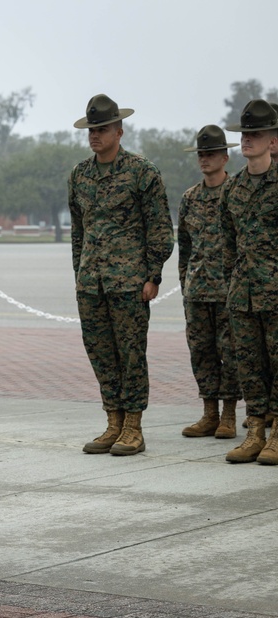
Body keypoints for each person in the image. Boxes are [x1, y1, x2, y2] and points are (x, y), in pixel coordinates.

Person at [69, 94, 174, 456]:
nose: (95, 136)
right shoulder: (80, 175)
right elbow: (78, 232)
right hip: (91, 284)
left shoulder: (142, 172)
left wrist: (153, 275)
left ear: (119, 131)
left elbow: (159, 228)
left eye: (102, 129)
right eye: (91, 130)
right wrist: (79, 274)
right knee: (101, 354)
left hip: (129, 283)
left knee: (131, 355)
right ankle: (112, 422)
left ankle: (133, 426)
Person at [220, 99, 278, 465]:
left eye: (255, 134)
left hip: (276, 293)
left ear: (273, 141)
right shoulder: (233, 189)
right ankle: (255, 431)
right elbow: (229, 246)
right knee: (250, 366)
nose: (247, 141)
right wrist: (233, 288)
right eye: (243, 135)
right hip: (243, 296)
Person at [177, 125, 241, 440]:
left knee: (230, 353)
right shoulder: (190, 198)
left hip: (230, 290)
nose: (205, 159)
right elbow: (184, 248)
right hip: (197, 291)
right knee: (201, 351)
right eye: (201, 155)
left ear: (225, 157)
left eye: (211, 154)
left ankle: (229, 414)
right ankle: (209, 413)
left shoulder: (238, 193)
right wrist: (185, 285)